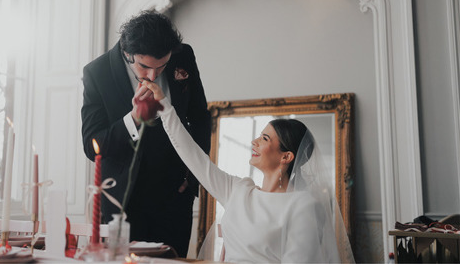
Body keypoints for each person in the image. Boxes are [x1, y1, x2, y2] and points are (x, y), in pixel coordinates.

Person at [143, 80, 355, 263]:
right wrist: (164, 106)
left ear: (286, 156)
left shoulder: (303, 206)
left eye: (264, 139)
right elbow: (193, 157)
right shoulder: (239, 190)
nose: (254, 142)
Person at [81, 10, 211, 257]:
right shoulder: (97, 74)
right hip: (123, 202)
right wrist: (132, 119)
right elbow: (91, 144)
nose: (153, 76)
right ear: (127, 53)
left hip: (176, 196)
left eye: (161, 66)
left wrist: (193, 176)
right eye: (144, 66)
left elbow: (201, 117)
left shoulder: (184, 56)